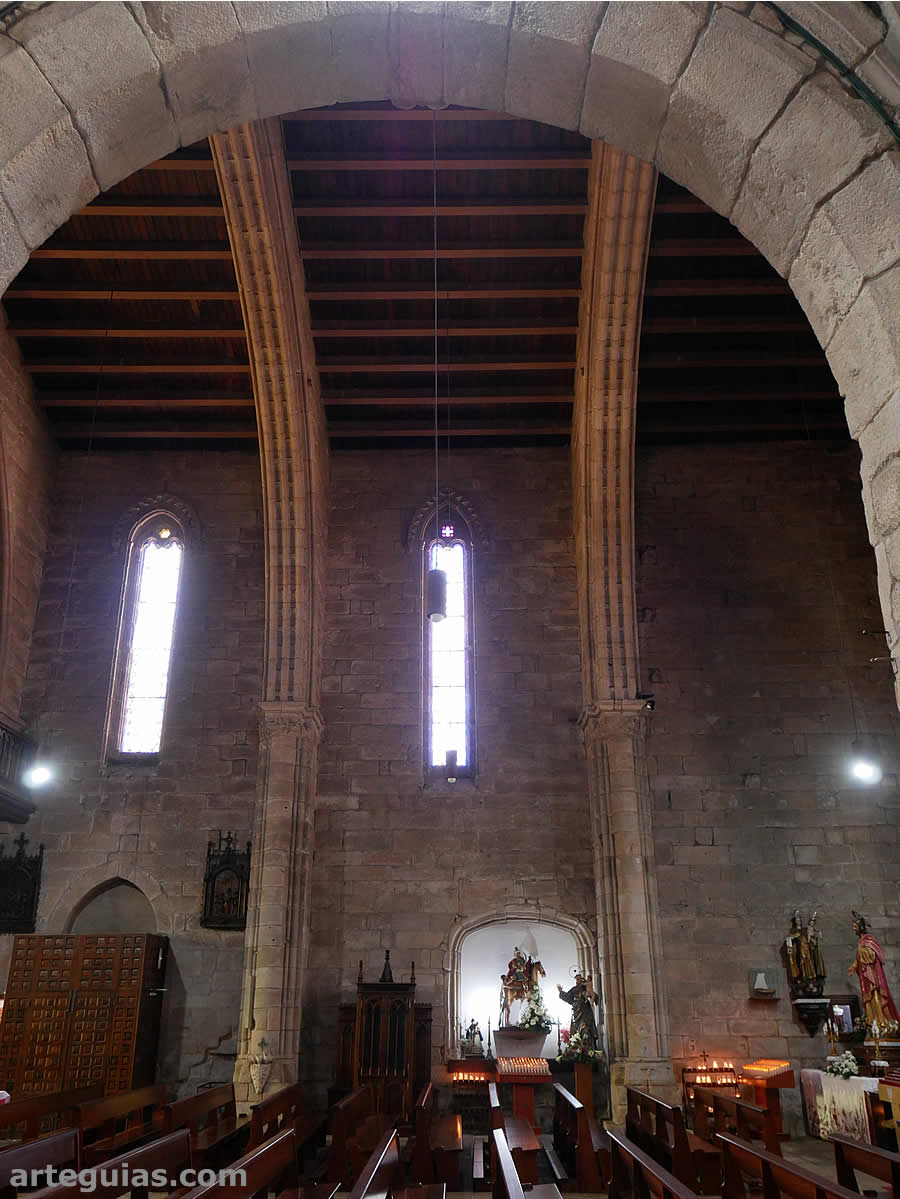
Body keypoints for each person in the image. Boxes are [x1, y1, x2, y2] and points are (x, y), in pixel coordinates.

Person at [849, 912, 900, 1032]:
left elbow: (873, 955)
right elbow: (858, 958)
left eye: (855, 927)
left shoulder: (869, 940)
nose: (854, 929)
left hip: (872, 975)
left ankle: (882, 1023)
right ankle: (872, 1024)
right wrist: (854, 966)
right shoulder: (861, 942)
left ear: (860, 926)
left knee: (875, 997)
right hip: (865, 977)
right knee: (868, 1000)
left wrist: (863, 956)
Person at [558, 972, 600, 1048]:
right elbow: (568, 997)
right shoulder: (574, 989)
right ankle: (576, 1047)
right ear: (576, 980)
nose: (579, 980)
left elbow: (593, 995)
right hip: (576, 1010)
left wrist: (592, 995)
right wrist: (561, 992)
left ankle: (589, 1047)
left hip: (585, 1010)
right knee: (576, 1029)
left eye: (580, 978)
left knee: (586, 1027)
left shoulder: (585, 987)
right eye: (577, 979)